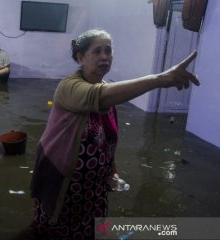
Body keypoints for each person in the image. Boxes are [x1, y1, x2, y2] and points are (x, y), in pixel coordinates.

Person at [29, 29, 200, 239]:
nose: (104, 57)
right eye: (97, 51)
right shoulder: (68, 87)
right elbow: (98, 97)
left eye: (108, 51)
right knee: (57, 229)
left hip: (94, 185)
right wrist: (160, 79)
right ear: (81, 57)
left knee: (92, 229)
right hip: (63, 180)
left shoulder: (107, 89)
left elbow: (108, 138)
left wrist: (111, 170)